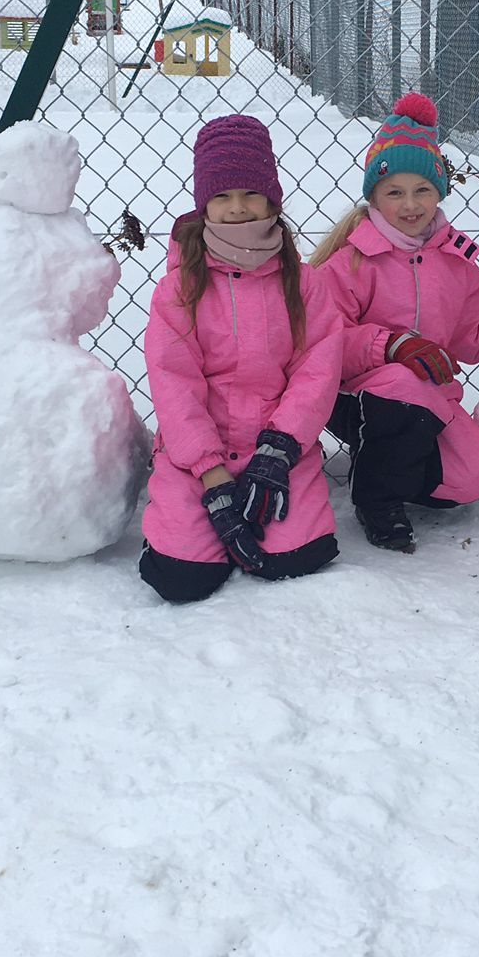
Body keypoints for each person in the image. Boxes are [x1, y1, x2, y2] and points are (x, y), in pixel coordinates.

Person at [140, 113, 343, 604]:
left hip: (277, 449)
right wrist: (211, 478)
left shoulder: (304, 283)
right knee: (180, 579)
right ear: (204, 204)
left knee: (292, 560)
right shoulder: (179, 289)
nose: (238, 209)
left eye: (251, 194)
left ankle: (263, 508)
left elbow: (316, 371)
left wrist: (278, 452)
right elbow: (174, 385)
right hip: (198, 456)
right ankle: (180, 526)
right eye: (222, 197)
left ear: (271, 198)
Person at [311, 92, 479, 553]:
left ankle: (391, 465)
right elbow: (322, 342)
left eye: (422, 190)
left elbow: (474, 337)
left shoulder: (457, 264)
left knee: (469, 478)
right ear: (374, 196)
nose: (410, 205)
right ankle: (376, 498)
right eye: (394, 192)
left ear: (439, 192)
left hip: (428, 399)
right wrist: (391, 347)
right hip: (354, 397)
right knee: (402, 385)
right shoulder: (350, 263)